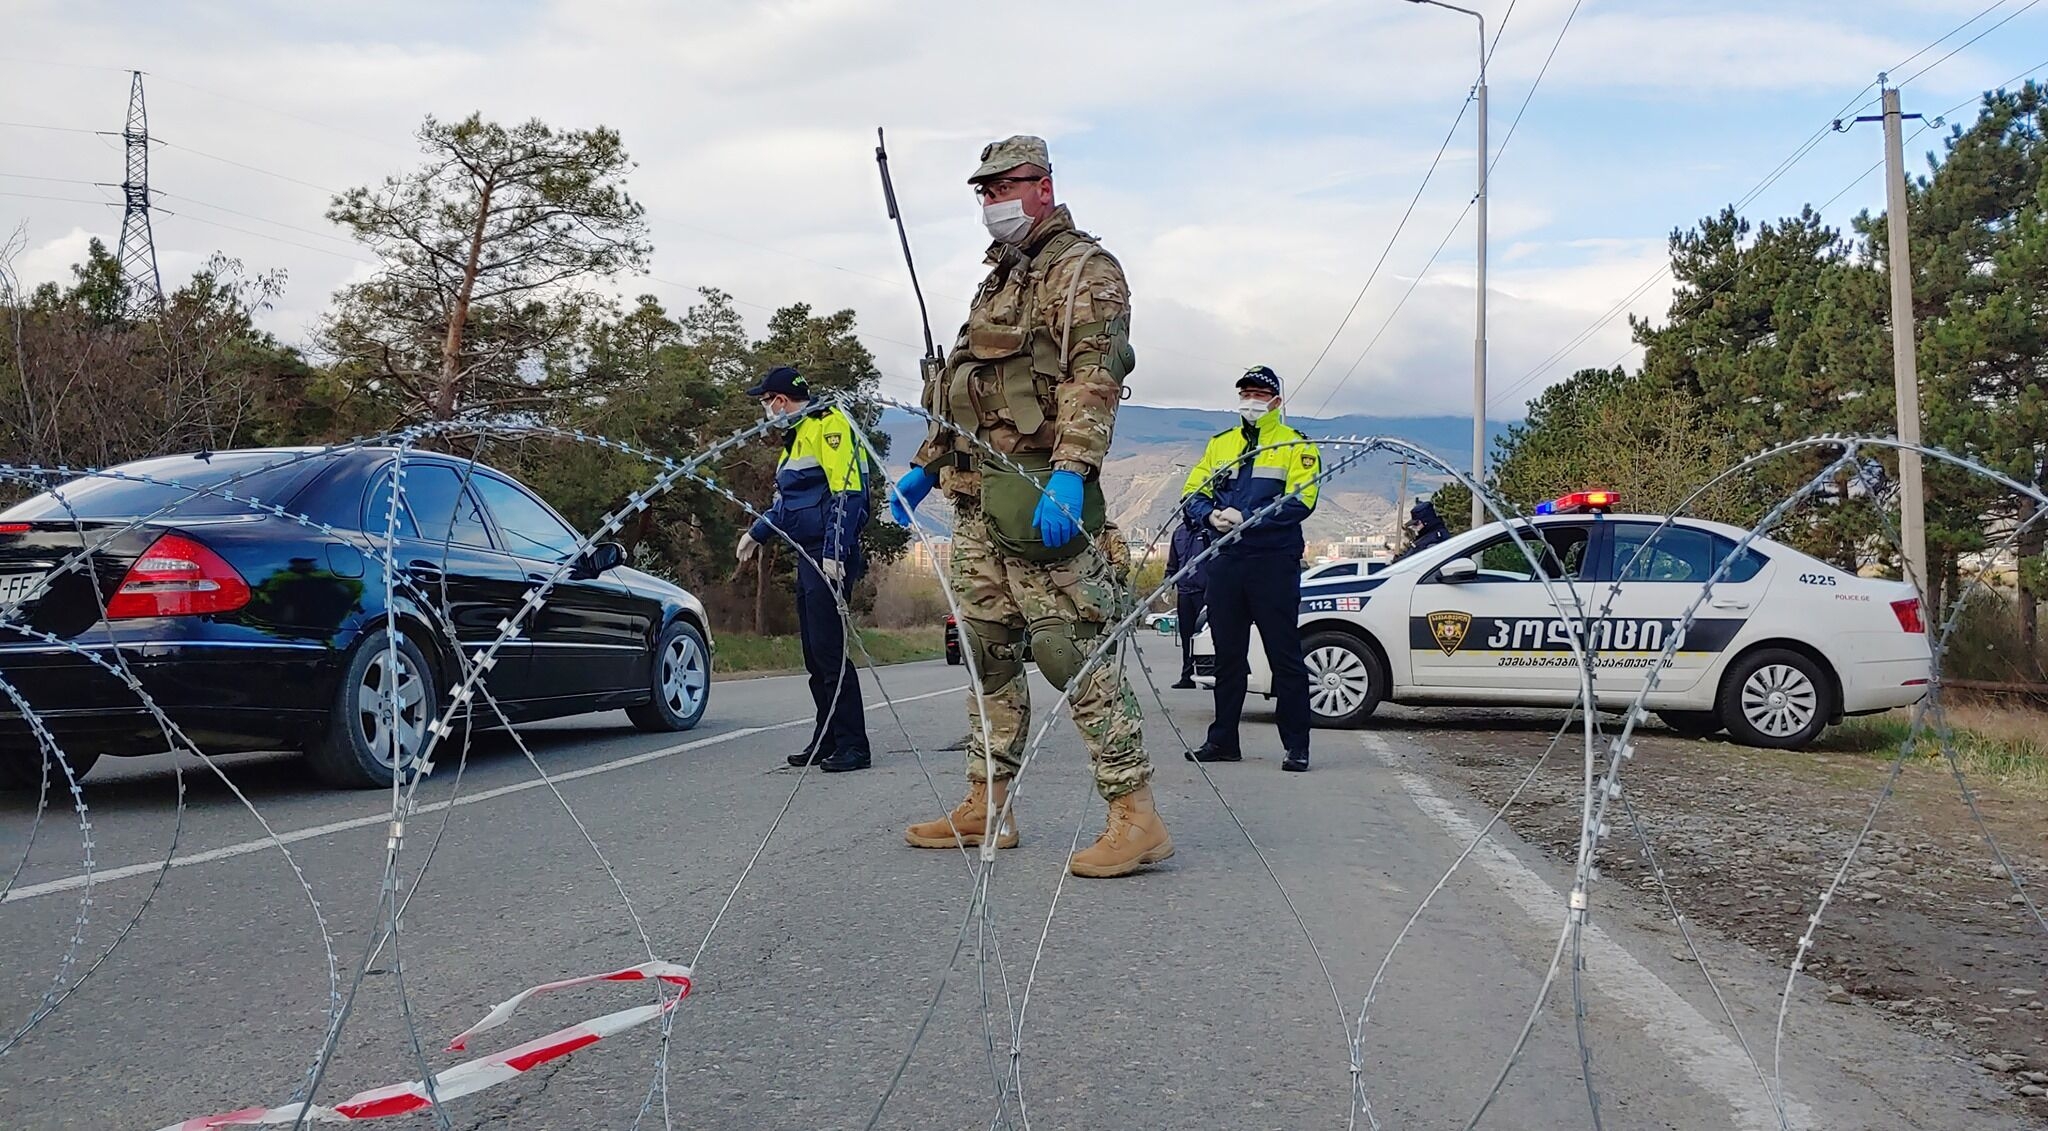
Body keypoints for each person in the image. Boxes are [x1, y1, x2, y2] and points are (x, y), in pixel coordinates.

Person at [890, 134, 1170, 879]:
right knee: (988, 656)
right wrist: (927, 466)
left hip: (1042, 491)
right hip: (981, 498)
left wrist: (1073, 471)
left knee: (1068, 651)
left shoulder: (1086, 271)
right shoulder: (1001, 280)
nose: (994, 202)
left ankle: (1136, 816)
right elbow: (972, 392)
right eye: (982, 192)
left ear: (1043, 185)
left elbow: (1093, 376)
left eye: (1005, 186)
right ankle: (988, 803)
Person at [1179, 366, 1320, 773]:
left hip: (1273, 562)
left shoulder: (1295, 445)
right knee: (1228, 657)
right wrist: (1211, 516)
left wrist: (1250, 516)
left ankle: (1297, 745)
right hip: (1226, 560)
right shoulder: (1220, 444)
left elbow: (1302, 499)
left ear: (1276, 401)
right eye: (1246, 393)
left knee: (1284, 655)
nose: (1251, 401)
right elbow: (1192, 492)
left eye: (1260, 394)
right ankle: (1223, 739)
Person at [737, 365, 871, 773]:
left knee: (831, 651)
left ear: (779, 400)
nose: (765, 411)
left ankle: (853, 744)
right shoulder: (794, 440)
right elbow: (788, 504)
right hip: (805, 552)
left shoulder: (829, 426)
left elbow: (848, 492)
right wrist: (758, 532)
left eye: (765, 402)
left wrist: (835, 550)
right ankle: (827, 735)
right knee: (814, 653)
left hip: (827, 555)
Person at [1164, 513, 1210, 688]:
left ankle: (1208, 674)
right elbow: (1173, 563)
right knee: (1186, 636)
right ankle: (1187, 676)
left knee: (1206, 634)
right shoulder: (1179, 533)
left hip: (1204, 592)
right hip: (1185, 591)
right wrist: (1168, 583)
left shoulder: (1208, 530)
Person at [1395, 496, 1451, 562]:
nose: (1413, 527)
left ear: (1426, 522)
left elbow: (1418, 561)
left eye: (1416, 524)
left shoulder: (1436, 539)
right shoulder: (1425, 537)